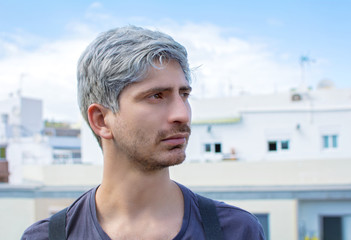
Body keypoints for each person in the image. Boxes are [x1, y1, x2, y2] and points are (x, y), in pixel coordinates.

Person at [22, 25, 265, 240]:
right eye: (156, 96)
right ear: (101, 120)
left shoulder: (236, 231)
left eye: (184, 95)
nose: (182, 113)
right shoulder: (47, 237)